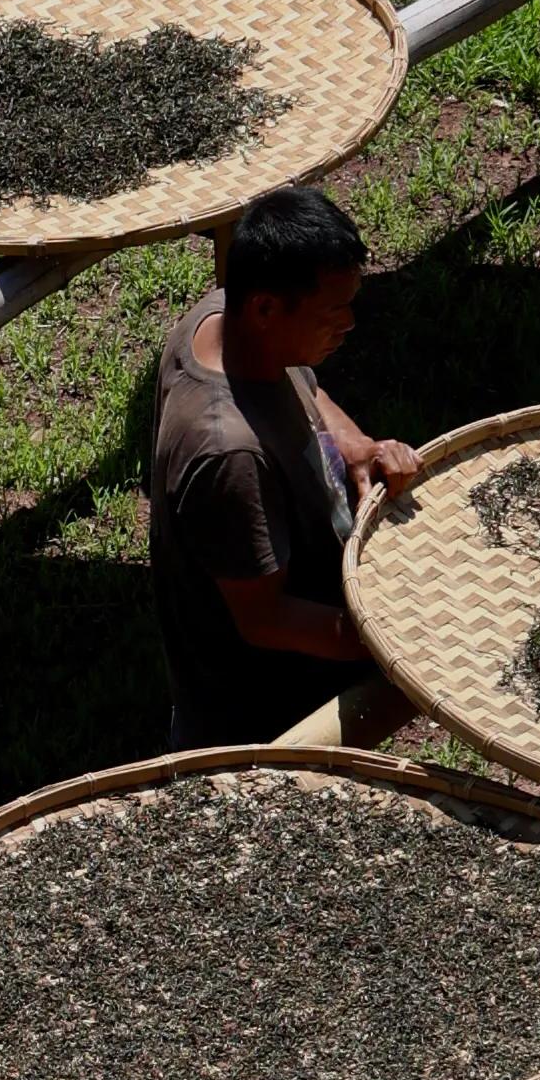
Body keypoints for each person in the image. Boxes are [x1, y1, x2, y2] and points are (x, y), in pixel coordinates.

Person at [148, 185, 420, 747]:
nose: (349, 324)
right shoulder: (230, 457)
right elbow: (267, 618)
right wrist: (394, 639)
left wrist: (353, 442)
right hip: (265, 719)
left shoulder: (222, 318)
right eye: (333, 311)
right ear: (267, 307)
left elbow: (307, 389)